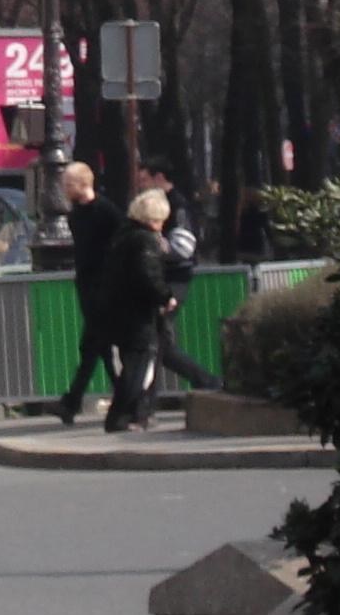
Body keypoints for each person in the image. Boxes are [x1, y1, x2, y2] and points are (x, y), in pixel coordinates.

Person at [135, 158, 222, 397]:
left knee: (156, 343)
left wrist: (153, 246)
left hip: (173, 280)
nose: (141, 185)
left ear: (159, 177)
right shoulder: (165, 203)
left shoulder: (178, 206)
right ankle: (206, 382)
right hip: (168, 279)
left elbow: (183, 247)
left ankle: (144, 400)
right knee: (159, 344)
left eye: (144, 179)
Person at [51, 162, 122, 425]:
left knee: (91, 345)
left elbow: (120, 242)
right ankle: (126, 397)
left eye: (69, 185)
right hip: (86, 286)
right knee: (99, 348)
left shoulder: (106, 211)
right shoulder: (75, 215)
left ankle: (71, 402)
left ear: (84, 184)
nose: (65, 190)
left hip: (104, 288)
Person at [101, 190, 176, 432]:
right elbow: (148, 275)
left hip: (118, 310)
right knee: (137, 368)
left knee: (131, 365)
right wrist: (165, 296)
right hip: (138, 314)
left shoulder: (122, 235)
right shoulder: (145, 240)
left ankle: (133, 414)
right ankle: (120, 417)